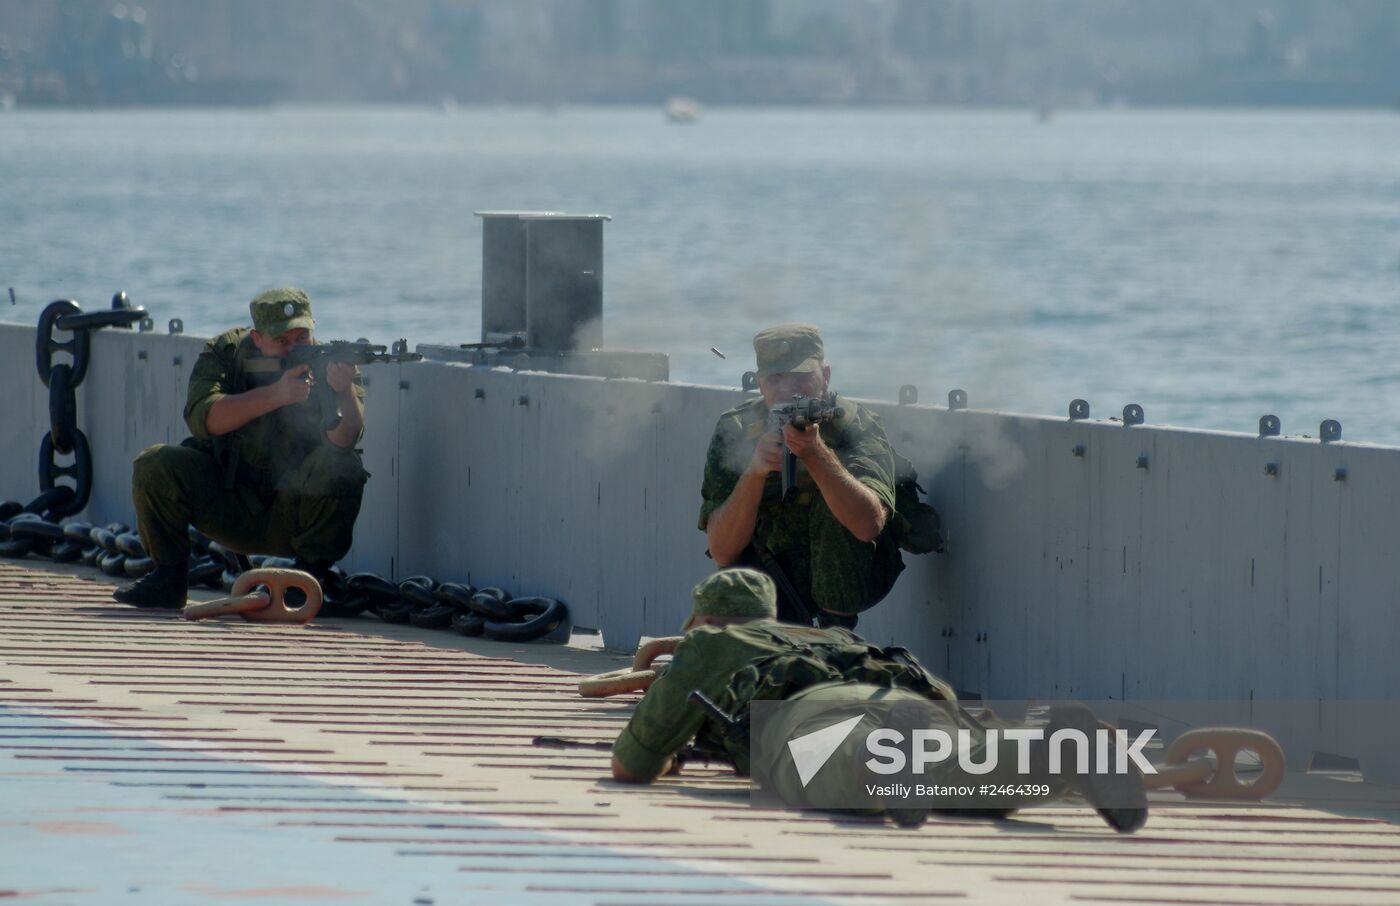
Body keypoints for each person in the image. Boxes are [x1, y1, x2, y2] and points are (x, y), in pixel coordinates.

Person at [610, 568, 1148, 833]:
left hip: (812, 710)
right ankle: (1058, 746)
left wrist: (670, 749)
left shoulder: (710, 643)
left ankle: (888, 755)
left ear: (703, 618)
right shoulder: (834, 637)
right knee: (971, 775)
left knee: (829, 765)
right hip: (902, 695)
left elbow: (632, 763)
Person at [113, 288, 369, 608]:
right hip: (228, 503)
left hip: (293, 512)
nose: (293, 348)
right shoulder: (228, 354)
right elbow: (204, 418)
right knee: (155, 464)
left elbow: (345, 439)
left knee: (343, 466)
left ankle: (306, 580)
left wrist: (343, 392)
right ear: (257, 337)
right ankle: (168, 577)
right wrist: (277, 394)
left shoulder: (328, 363)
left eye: (301, 337)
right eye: (282, 341)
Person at [699, 324, 904, 628]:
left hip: (844, 595)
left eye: (802, 377)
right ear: (760, 384)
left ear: (826, 376)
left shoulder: (854, 425)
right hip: (764, 594)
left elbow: (868, 525)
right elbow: (722, 551)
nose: (788, 389)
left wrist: (816, 454)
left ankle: (834, 636)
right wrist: (754, 474)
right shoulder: (738, 430)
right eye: (776, 378)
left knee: (832, 497)